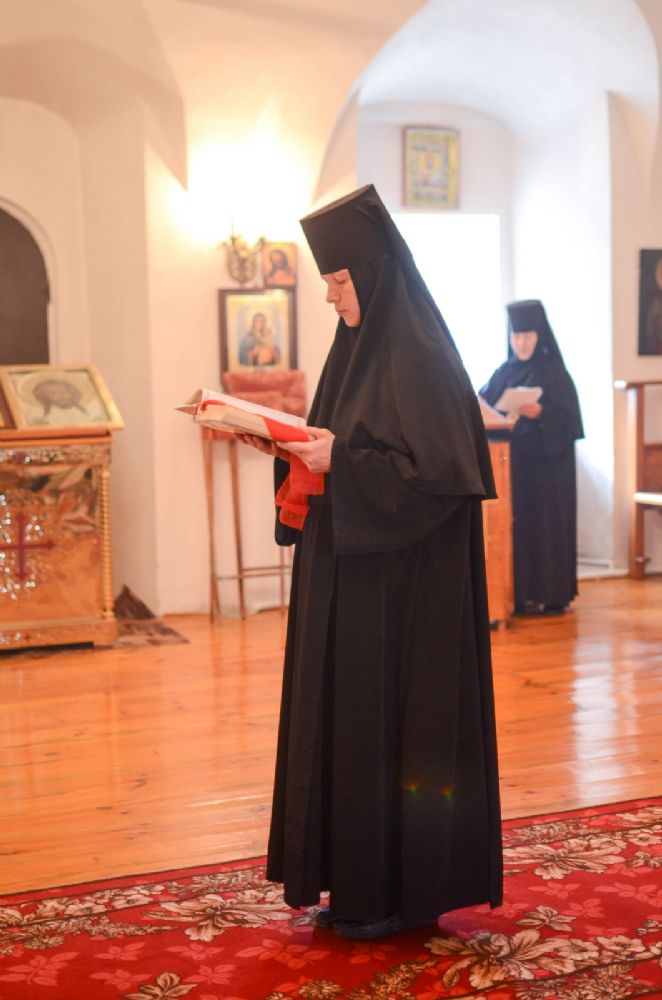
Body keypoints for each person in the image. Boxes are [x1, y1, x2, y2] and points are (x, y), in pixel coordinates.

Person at [240, 184, 502, 939]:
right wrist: (286, 445)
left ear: (375, 276)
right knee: (345, 731)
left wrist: (340, 461)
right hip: (345, 579)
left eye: (338, 280)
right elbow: (335, 443)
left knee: (390, 734)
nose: (329, 296)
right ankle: (350, 881)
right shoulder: (350, 352)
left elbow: (440, 479)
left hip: (402, 599)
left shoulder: (422, 355)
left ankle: (397, 891)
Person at [480, 300, 584, 614]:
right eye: (517, 336)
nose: (522, 343)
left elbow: (572, 423)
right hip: (514, 467)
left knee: (547, 529)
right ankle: (519, 595)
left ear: (539, 336)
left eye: (527, 336)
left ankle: (552, 595)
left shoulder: (555, 373)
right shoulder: (504, 372)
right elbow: (481, 407)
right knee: (518, 528)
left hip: (549, 470)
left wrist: (541, 412)